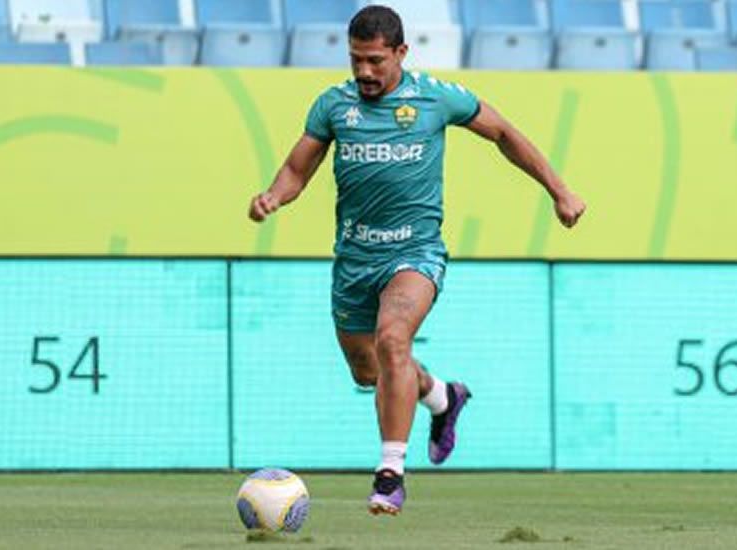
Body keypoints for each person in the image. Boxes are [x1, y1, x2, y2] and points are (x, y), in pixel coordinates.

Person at [248, 5, 586, 516]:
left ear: (401, 53)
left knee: (392, 340)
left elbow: (505, 134)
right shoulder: (333, 106)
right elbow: (299, 167)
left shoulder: (436, 97)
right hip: (354, 259)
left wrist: (559, 191)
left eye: (375, 61)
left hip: (415, 252)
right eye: (356, 59)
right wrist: (274, 196)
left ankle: (390, 476)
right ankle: (442, 398)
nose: (364, 71)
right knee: (371, 370)